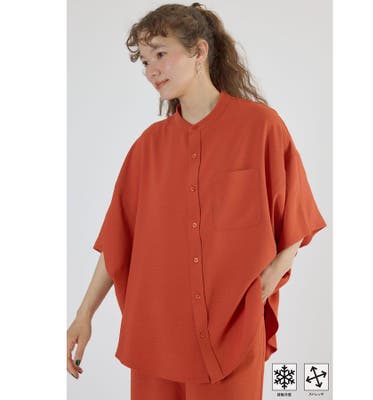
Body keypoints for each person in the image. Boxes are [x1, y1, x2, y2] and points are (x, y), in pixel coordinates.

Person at [67, 3, 327, 399]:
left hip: (233, 332)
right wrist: (84, 314)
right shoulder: (147, 148)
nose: (151, 70)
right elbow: (118, 241)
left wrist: (271, 277)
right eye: (145, 61)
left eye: (160, 54)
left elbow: (297, 214)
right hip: (158, 336)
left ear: (199, 51)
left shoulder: (261, 127)